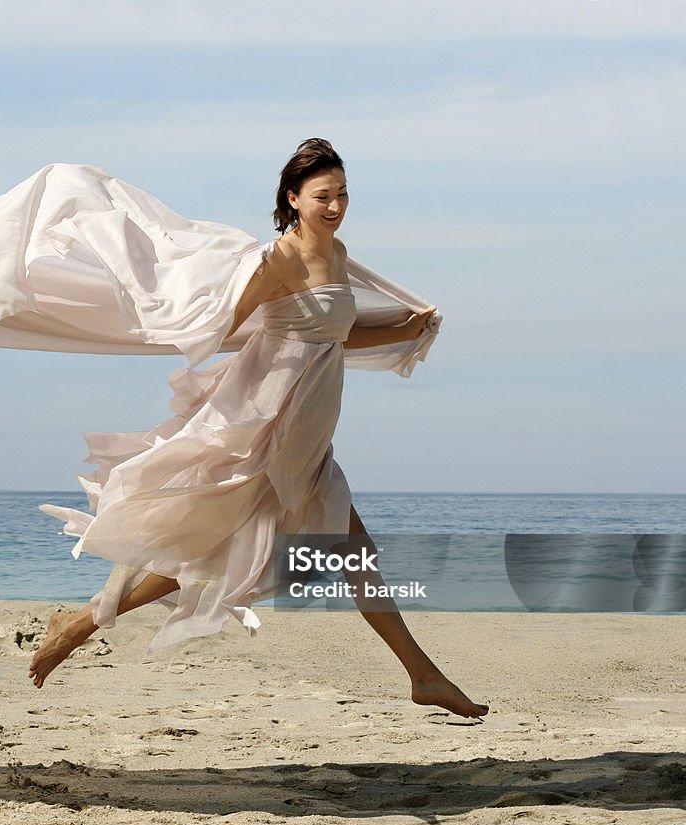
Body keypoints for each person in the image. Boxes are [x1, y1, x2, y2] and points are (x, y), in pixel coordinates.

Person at [31, 139, 489, 720]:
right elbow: (223, 322)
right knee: (229, 553)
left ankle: (423, 676)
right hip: (272, 429)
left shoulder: (339, 254)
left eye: (343, 194)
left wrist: (407, 330)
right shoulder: (279, 261)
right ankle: (78, 623)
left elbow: (334, 336)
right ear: (293, 199)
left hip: (309, 435)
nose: (336, 205)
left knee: (320, 554)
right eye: (323, 196)